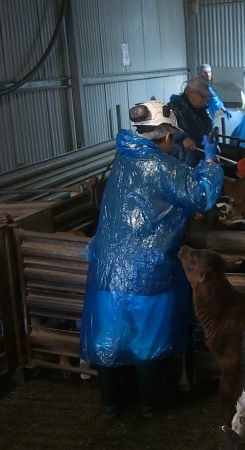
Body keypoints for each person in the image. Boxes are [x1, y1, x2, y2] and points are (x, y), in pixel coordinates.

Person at [79, 100, 223, 415]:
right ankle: (148, 404)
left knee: (109, 336)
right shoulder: (163, 166)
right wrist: (210, 164)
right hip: (146, 270)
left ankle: (110, 403)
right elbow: (201, 197)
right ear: (167, 135)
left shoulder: (122, 159)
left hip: (106, 268)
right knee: (147, 340)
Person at [168, 76, 214, 167]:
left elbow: (207, 131)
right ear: (192, 93)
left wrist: (212, 150)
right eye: (203, 97)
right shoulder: (173, 110)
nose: (205, 102)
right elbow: (164, 140)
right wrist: (181, 141)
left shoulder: (202, 110)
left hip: (201, 162)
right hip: (182, 166)